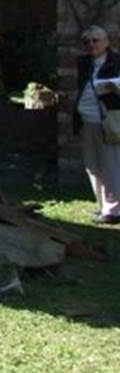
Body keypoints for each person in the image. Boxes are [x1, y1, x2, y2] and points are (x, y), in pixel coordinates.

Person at [72, 25, 120, 224]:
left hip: (108, 120)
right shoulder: (84, 63)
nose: (92, 44)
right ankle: (102, 206)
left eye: (96, 40)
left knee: (110, 164)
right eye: (88, 41)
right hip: (87, 118)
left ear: (106, 42)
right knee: (93, 166)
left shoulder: (116, 61)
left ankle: (114, 210)